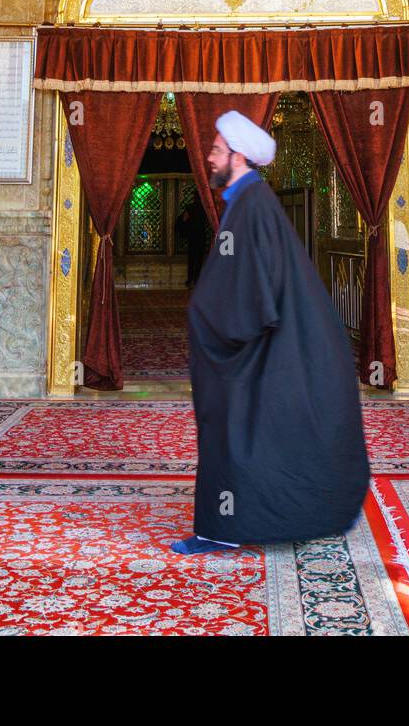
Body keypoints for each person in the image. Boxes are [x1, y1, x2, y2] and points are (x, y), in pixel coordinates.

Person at [170, 109, 370, 555]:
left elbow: (249, 289)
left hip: (257, 347)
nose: (209, 157)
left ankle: (224, 527)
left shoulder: (253, 205)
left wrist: (210, 322)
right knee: (249, 432)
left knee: (242, 429)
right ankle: (229, 523)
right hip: (264, 343)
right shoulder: (249, 202)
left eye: (216, 151)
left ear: (238, 156)